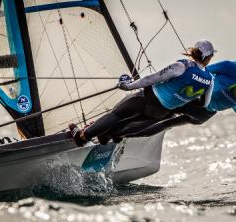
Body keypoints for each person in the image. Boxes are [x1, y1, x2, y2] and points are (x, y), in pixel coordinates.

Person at [69, 39, 217, 146]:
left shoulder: (182, 65)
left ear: (194, 51)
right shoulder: (210, 79)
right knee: (128, 124)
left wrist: (128, 86)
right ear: (208, 58)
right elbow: (204, 104)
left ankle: (82, 137)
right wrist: (182, 99)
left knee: (116, 115)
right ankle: (105, 136)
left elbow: (151, 79)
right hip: (162, 111)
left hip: (147, 99)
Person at [107, 44, 236, 138]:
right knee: (164, 125)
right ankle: (121, 136)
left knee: (156, 114)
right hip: (203, 116)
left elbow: (202, 72)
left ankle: (111, 130)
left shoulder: (231, 66)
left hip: (194, 103)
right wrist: (230, 101)